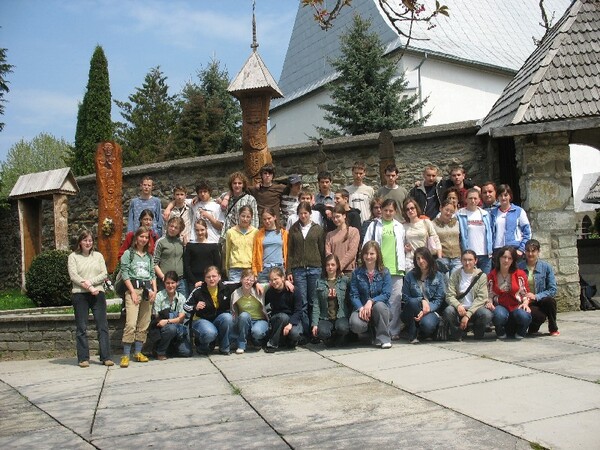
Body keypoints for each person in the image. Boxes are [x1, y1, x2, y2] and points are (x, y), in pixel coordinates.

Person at [67, 230, 113, 368]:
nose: (88, 243)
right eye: (85, 240)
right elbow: (74, 276)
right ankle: (83, 358)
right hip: (80, 294)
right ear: (80, 242)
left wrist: (90, 283)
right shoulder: (73, 257)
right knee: (81, 327)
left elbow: (104, 273)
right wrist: (88, 287)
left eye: (90, 240)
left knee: (102, 326)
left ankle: (105, 357)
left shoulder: (98, 256)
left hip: (98, 293)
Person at [363, 198, 406, 340]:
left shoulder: (399, 226)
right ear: (381, 210)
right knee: (380, 301)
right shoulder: (374, 225)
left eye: (391, 210)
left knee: (395, 302)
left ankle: (393, 331)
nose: (388, 213)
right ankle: (381, 331)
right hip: (379, 268)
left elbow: (402, 245)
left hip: (396, 268)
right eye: (385, 210)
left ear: (395, 211)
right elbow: (366, 245)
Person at [119, 226, 157, 368]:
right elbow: (125, 273)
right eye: (141, 236)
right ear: (136, 238)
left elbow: (152, 274)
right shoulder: (128, 254)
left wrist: (154, 290)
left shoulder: (149, 257)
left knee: (144, 322)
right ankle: (126, 355)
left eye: (146, 237)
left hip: (147, 290)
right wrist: (132, 292)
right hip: (133, 289)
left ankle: (138, 352)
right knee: (131, 323)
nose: (144, 239)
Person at [287, 201, 326, 336]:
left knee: (314, 301)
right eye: (300, 213)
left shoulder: (318, 229)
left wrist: (324, 270)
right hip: (298, 270)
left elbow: (322, 250)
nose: (303, 216)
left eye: (305, 213)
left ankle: (314, 330)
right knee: (302, 302)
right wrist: (289, 270)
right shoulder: (293, 229)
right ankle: (304, 331)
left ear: (310, 214)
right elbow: (290, 252)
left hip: (315, 268)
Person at [349, 241, 392, 349]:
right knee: (355, 324)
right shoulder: (356, 273)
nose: (368, 257)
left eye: (372, 254)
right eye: (366, 253)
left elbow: (386, 294)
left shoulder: (385, 272)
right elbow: (354, 295)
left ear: (377, 255)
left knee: (379, 306)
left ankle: (384, 338)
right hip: (363, 308)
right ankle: (369, 333)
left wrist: (371, 301)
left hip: (381, 309)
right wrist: (361, 308)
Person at [184, 266, 236, 355]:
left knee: (228, 317)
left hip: (217, 319)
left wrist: (256, 284)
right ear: (204, 279)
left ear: (219, 277)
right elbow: (185, 306)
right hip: (201, 320)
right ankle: (202, 347)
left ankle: (224, 348)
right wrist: (195, 307)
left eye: (214, 276)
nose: (211, 279)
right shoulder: (198, 290)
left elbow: (243, 282)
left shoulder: (226, 286)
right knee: (210, 333)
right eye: (208, 277)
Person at [443, 250, 492, 340]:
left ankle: (478, 332)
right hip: (460, 308)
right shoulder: (455, 275)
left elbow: (482, 298)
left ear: (475, 261)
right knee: (448, 310)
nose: (467, 262)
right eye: (464, 260)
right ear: (461, 261)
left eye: (470, 260)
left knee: (486, 314)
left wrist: (468, 315)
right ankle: (458, 332)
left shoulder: (481, 276)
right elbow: (449, 295)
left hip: (475, 309)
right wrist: (458, 305)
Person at [401, 247, 446, 343]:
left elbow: (439, 299)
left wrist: (427, 309)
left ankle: (423, 333)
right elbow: (405, 297)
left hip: (431, 310)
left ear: (429, 258)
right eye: (418, 258)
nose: (421, 261)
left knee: (427, 325)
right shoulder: (410, 276)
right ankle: (412, 334)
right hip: (412, 309)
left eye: (423, 258)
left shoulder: (438, 276)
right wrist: (421, 300)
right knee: (413, 302)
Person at [487, 246, 532, 339]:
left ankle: (521, 331)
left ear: (513, 260)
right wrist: (489, 302)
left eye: (509, 258)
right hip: (500, 306)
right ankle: (500, 330)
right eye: (504, 257)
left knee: (524, 316)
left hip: (516, 305)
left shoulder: (520, 274)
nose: (506, 260)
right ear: (499, 258)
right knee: (498, 314)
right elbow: (490, 294)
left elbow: (525, 293)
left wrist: (525, 303)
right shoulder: (492, 275)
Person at [518, 239, 559, 336]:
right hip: (526, 301)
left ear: (538, 251)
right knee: (539, 316)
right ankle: (533, 327)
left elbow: (552, 289)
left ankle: (553, 327)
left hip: (541, 299)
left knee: (550, 301)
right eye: (528, 251)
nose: (530, 254)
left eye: (533, 251)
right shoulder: (518, 267)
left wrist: (536, 296)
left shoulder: (546, 267)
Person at [152, 271, 192, 360]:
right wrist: (167, 321)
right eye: (168, 283)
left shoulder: (181, 297)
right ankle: (160, 352)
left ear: (177, 283)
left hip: (177, 328)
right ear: (164, 283)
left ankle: (171, 348)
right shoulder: (159, 296)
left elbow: (181, 318)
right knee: (171, 329)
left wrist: (167, 321)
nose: (170, 286)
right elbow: (157, 317)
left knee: (186, 352)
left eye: (173, 283)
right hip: (162, 328)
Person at [312, 254, 350, 346]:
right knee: (322, 333)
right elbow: (316, 305)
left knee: (343, 328)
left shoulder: (345, 281)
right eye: (328, 265)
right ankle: (331, 338)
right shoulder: (319, 282)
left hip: (341, 316)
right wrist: (315, 324)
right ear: (325, 267)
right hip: (325, 317)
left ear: (337, 266)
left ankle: (340, 336)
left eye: (333, 265)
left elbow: (351, 299)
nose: (330, 267)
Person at [264, 267, 303, 353]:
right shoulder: (270, 292)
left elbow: (298, 311)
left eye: (276, 279)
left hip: (292, 318)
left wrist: (290, 324)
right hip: (277, 318)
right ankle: (272, 344)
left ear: (282, 278)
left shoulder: (294, 290)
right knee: (283, 317)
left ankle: (288, 341)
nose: (274, 282)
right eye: (271, 280)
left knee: (295, 334)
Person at [231, 269, 269, 354]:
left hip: (260, 320)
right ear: (241, 279)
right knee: (244, 315)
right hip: (245, 321)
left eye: (251, 280)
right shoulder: (235, 294)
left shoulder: (259, 289)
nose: (248, 282)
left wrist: (286, 282)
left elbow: (274, 283)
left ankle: (256, 341)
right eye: (246, 279)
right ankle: (241, 345)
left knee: (257, 332)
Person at [456, 188, 494, 273]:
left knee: (485, 280)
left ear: (479, 199)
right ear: (466, 199)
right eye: (470, 198)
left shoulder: (485, 214)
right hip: (469, 256)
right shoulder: (460, 214)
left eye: (475, 198)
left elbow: (491, 232)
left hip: (485, 255)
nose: (473, 201)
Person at [490, 184, 532, 257]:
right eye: (500, 195)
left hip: (514, 248)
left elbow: (527, 232)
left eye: (505, 195)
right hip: (497, 250)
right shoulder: (493, 213)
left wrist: (521, 249)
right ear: (497, 197)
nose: (503, 198)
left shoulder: (518, 211)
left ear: (510, 196)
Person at [402, 197, 441, 271]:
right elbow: (401, 243)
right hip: (410, 260)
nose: (410, 211)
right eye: (407, 209)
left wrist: (440, 258)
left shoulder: (426, 222)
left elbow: (436, 239)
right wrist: (405, 247)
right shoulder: (403, 226)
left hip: (425, 259)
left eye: (412, 208)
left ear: (416, 208)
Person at [183, 219, 221, 293]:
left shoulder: (213, 245)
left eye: (202, 230)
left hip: (210, 281)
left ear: (206, 229)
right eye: (197, 230)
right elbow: (187, 266)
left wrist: (212, 279)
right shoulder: (190, 245)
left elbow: (217, 265)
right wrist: (194, 281)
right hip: (194, 282)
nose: (200, 232)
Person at [252, 207, 288, 283]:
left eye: (269, 218)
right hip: (264, 269)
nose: (267, 221)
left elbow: (287, 253)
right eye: (264, 219)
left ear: (274, 217)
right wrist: (254, 272)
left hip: (279, 268)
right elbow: (255, 254)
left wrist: (288, 270)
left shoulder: (283, 233)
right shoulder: (259, 234)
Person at [219, 171, 259, 237]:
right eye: (234, 183)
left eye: (239, 183)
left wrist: (252, 235)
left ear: (243, 185)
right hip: (227, 234)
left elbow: (254, 219)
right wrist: (224, 199)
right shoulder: (225, 196)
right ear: (231, 185)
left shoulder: (250, 199)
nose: (237, 185)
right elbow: (212, 200)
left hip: (242, 234)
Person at [153, 216, 186, 297]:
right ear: (167, 226)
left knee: (182, 303)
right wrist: (163, 277)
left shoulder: (181, 242)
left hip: (180, 280)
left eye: (176, 228)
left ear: (179, 230)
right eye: (171, 226)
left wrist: (185, 245)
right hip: (165, 280)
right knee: (164, 303)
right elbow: (154, 263)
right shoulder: (161, 242)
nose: (173, 229)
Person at [225, 205, 258, 282]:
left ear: (251, 218)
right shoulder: (230, 232)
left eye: (248, 217)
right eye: (243, 216)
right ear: (238, 216)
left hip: (249, 268)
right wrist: (227, 268)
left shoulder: (255, 232)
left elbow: (257, 252)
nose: (245, 219)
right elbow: (227, 252)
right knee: (235, 289)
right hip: (235, 269)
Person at [325, 204, 360, 274]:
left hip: (348, 271)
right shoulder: (330, 235)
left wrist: (340, 266)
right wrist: (334, 267)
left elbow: (352, 252)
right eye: (333, 217)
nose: (335, 220)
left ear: (344, 216)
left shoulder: (353, 231)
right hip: (334, 272)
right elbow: (328, 253)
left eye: (338, 216)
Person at [433, 199, 461, 276]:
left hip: (457, 258)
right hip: (443, 258)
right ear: (440, 208)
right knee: (445, 281)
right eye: (446, 210)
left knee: (455, 281)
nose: (448, 213)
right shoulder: (433, 224)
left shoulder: (457, 223)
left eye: (451, 211)